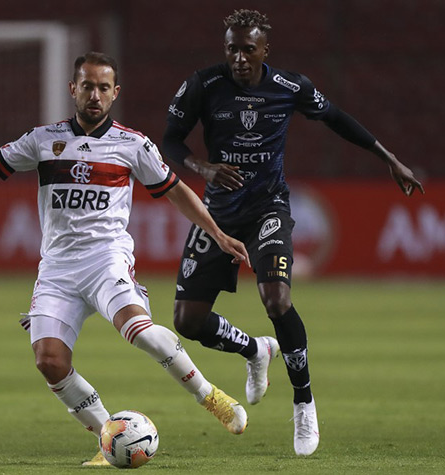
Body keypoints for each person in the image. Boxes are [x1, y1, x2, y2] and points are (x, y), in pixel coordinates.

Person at [0, 52, 252, 467]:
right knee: (49, 361)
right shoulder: (42, 139)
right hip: (56, 270)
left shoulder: (132, 144)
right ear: (73, 89)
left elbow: (176, 189)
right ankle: (110, 437)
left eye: (103, 87)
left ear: (114, 93)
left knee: (140, 332)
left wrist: (215, 232)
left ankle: (209, 396)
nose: (95, 95)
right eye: (87, 86)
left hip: (106, 260)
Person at [162, 9, 425, 457]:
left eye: (249, 49)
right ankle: (255, 350)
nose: (240, 57)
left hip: (268, 207)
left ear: (266, 49)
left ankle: (304, 402)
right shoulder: (203, 85)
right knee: (186, 321)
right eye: (232, 48)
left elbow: (338, 118)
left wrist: (389, 158)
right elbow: (171, 139)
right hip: (218, 213)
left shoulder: (289, 87)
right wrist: (203, 166)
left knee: (277, 299)